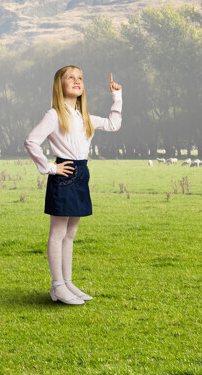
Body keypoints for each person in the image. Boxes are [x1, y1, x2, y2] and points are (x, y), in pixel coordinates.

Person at [24, 65, 123, 305]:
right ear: (60, 84)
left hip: (82, 173)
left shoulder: (83, 115)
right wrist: (50, 168)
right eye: (71, 77)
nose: (77, 81)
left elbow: (113, 125)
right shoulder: (54, 115)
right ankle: (57, 286)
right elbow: (31, 141)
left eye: (80, 78)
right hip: (64, 174)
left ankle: (68, 283)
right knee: (58, 233)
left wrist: (116, 96)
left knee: (70, 234)